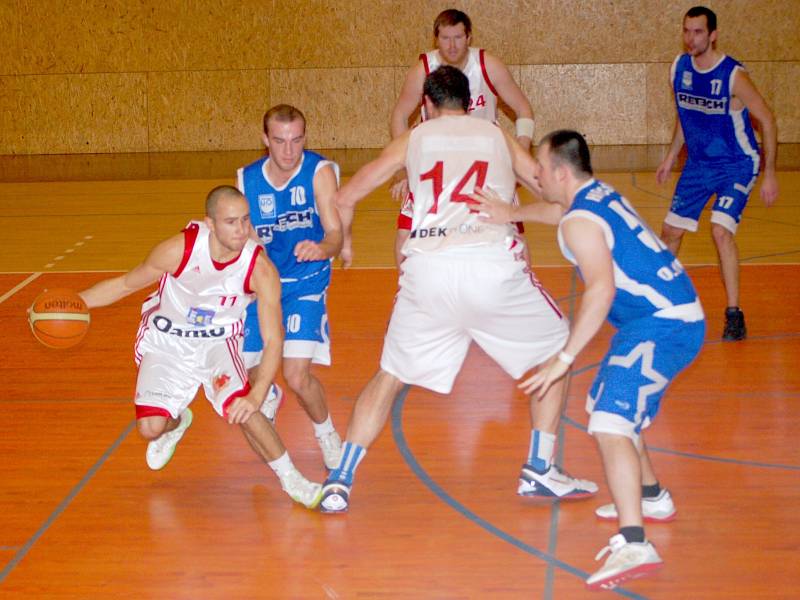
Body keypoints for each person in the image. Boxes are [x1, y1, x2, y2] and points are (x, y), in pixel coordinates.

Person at [319, 66, 597, 515]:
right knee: (560, 347)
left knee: (389, 375)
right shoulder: (495, 134)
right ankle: (541, 466)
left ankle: (340, 480)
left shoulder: (414, 139)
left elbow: (345, 196)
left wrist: (345, 239)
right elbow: (551, 188)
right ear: (471, 102)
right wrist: (515, 209)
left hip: (426, 270)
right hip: (489, 264)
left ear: (425, 107)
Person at [474, 130, 705, 589]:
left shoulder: (579, 222)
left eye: (539, 169)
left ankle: (635, 541)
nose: (534, 176)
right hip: (659, 318)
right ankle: (652, 497)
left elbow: (601, 289)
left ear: (560, 172)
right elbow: (557, 211)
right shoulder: (594, 195)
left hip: (665, 324)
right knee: (605, 402)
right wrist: (512, 212)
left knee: (609, 421)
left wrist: (564, 358)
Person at [78, 186, 323, 508]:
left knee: (243, 406)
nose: (241, 230)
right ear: (210, 224)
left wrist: (257, 394)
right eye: (231, 222)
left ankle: (294, 481)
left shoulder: (259, 268)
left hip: (218, 344)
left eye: (246, 220)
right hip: (167, 342)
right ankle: (177, 423)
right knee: (150, 428)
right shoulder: (177, 250)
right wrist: (74, 305)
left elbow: (274, 338)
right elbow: (124, 284)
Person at [656, 5, 778, 341]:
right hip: (699, 164)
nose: (690, 38)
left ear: (713, 35)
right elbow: (684, 115)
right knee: (671, 231)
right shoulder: (678, 68)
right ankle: (663, 304)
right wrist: (670, 156)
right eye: (686, 31)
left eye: (697, 32)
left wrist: (769, 172)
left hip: (737, 162)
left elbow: (767, 119)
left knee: (720, 230)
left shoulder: (732, 75)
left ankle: (734, 314)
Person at [237, 104, 344, 469]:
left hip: (306, 280)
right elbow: (243, 240)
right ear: (265, 139)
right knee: (252, 371)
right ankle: (271, 393)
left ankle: (326, 432)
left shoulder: (319, 172)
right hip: (265, 284)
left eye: (296, 140)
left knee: (298, 375)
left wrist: (322, 248)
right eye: (280, 141)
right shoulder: (246, 179)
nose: (288, 151)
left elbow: (335, 233)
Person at [385, 8, 535, 268]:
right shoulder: (423, 69)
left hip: (484, 160)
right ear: (436, 39)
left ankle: (523, 282)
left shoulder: (488, 65)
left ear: (469, 37)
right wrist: (406, 167)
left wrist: (519, 153)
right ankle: (410, 291)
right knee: (406, 232)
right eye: (445, 38)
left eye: (458, 37)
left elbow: (523, 109)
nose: (452, 45)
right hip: (437, 160)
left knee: (512, 229)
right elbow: (399, 116)